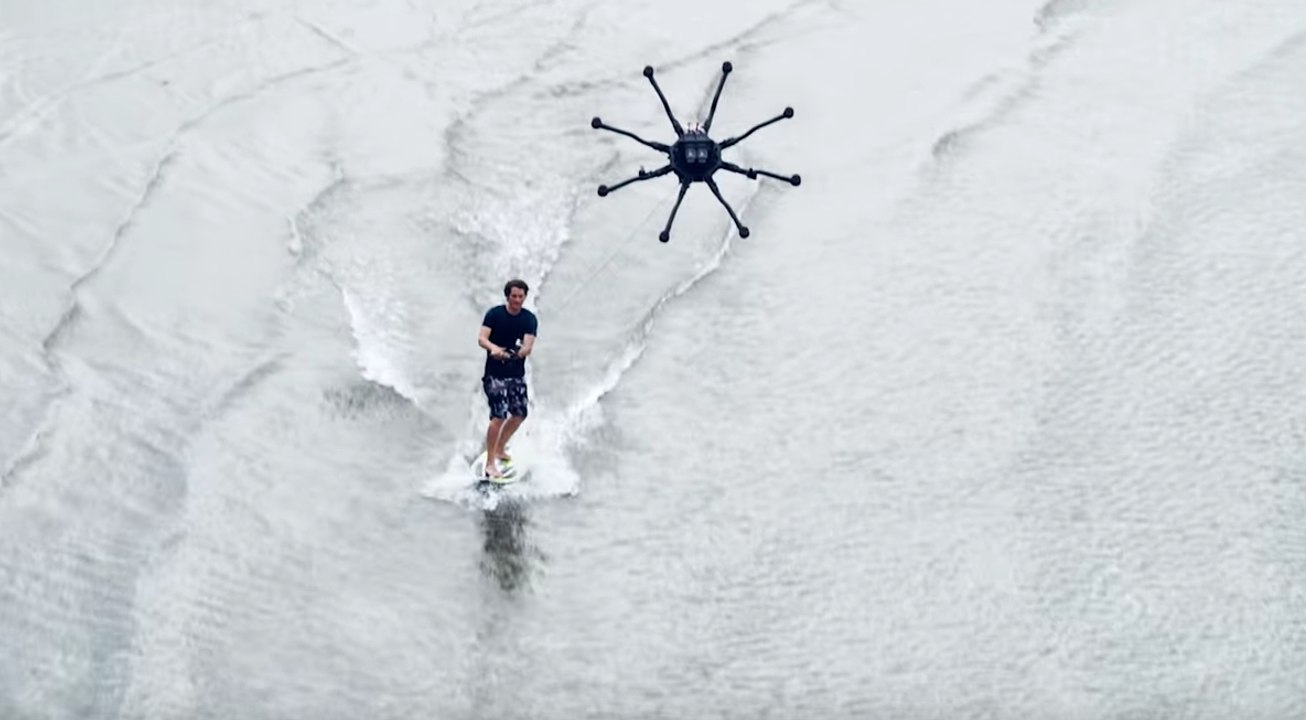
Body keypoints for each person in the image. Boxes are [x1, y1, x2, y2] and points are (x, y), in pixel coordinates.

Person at [477, 279, 537, 479]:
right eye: (514, 297)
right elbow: (482, 338)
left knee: (520, 414)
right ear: (507, 296)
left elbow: (528, 345)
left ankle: (500, 448)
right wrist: (494, 349)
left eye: (521, 297)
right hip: (494, 375)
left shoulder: (529, 319)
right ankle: (490, 463)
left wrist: (519, 352)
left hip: (516, 375)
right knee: (499, 415)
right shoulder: (494, 314)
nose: (517, 301)